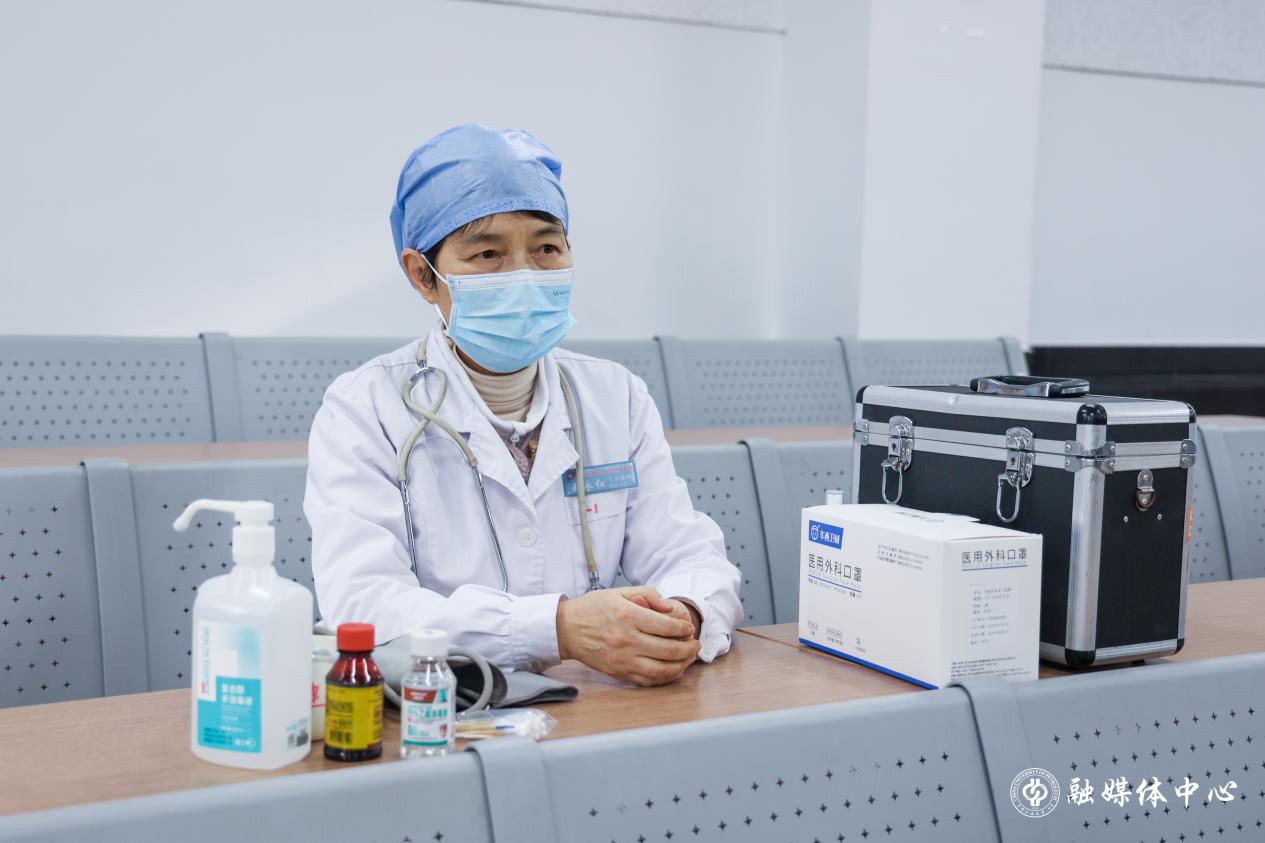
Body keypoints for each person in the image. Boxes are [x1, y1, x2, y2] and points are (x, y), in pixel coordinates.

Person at [304, 124, 742, 687]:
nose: (524, 276)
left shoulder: (617, 397)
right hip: (440, 709)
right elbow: (363, 604)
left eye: (546, 249)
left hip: (598, 706)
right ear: (422, 276)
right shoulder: (364, 408)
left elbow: (690, 554)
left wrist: (684, 613)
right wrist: (556, 629)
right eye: (488, 253)